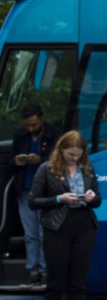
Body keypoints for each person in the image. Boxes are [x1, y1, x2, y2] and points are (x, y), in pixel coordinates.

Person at [29, 130, 101, 300]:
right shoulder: (46, 169)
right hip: (57, 228)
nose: (74, 158)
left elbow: (98, 201)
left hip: (84, 226)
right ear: (61, 149)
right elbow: (33, 201)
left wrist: (91, 197)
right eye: (71, 154)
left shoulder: (87, 169)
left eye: (78, 155)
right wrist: (59, 199)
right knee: (55, 283)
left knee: (78, 283)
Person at [11, 103, 61, 288]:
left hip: (45, 190)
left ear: (42, 118)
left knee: (44, 232)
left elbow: (61, 160)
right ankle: (33, 271)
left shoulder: (54, 134)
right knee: (30, 233)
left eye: (34, 125)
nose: (30, 129)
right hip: (25, 189)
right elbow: (12, 160)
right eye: (27, 126)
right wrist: (17, 161)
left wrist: (42, 160)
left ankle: (46, 270)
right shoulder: (20, 136)